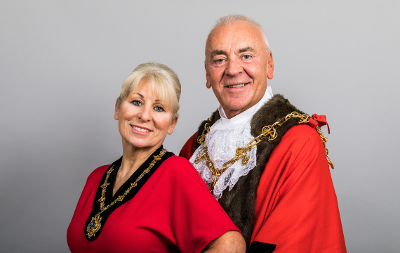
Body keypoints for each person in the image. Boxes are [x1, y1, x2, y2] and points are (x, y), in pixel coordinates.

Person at [180, 15, 347, 252]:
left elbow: (292, 242)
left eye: (246, 56)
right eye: (219, 59)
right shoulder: (193, 148)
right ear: (207, 73)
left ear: (269, 64)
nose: (233, 70)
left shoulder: (299, 142)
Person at [67, 62, 246, 253]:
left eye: (159, 108)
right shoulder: (95, 178)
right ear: (117, 108)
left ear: (171, 124)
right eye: (136, 102)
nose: (145, 116)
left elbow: (231, 245)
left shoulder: (175, 172)